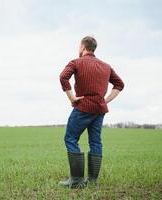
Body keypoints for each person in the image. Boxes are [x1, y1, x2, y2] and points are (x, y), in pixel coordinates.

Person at [58, 36, 124, 189]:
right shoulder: (106, 66)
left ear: (83, 47)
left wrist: (72, 98)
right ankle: (92, 181)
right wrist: (105, 100)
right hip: (99, 110)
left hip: (82, 107)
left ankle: (76, 181)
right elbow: (120, 84)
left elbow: (63, 77)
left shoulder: (76, 62)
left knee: (71, 138)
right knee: (95, 142)